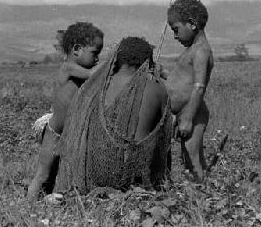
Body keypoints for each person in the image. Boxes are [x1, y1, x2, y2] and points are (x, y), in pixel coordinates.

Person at [54, 37, 172, 194]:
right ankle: (161, 187)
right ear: (148, 63)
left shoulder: (94, 87)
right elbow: (163, 137)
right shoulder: (155, 88)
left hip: (91, 175)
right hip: (132, 179)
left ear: (116, 60)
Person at [27, 22, 104, 200]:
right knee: (43, 174)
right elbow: (95, 75)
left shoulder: (80, 71)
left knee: (58, 172)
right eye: (95, 53)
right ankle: (29, 204)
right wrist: (112, 62)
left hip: (68, 133)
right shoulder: (69, 67)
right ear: (77, 49)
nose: (97, 59)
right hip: (54, 133)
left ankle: (51, 200)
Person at [166, 0, 214, 182]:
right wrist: (162, 73)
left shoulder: (201, 50)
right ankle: (200, 193)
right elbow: (182, 79)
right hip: (186, 112)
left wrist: (187, 117)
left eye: (176, 30)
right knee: (189, 158)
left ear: (192, 24)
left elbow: (199, 86)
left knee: (192, 159)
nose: (175, 36)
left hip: (193, 112)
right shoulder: (192, 50)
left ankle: (200, 199)